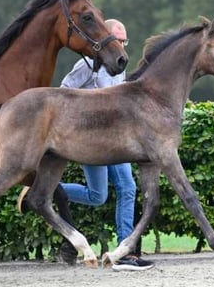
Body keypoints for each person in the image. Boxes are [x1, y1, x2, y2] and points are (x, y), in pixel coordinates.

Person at [59, 19, 154, 272]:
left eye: (125, 41)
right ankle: (47, 191)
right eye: (118, 40)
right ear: (105, 38)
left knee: (127, 188)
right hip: (91, 140)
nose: (122, 45)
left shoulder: (118, 66)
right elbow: (63, 92)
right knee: (97, 196)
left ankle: (125, 251)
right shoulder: (86, 65)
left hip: (115, 139)